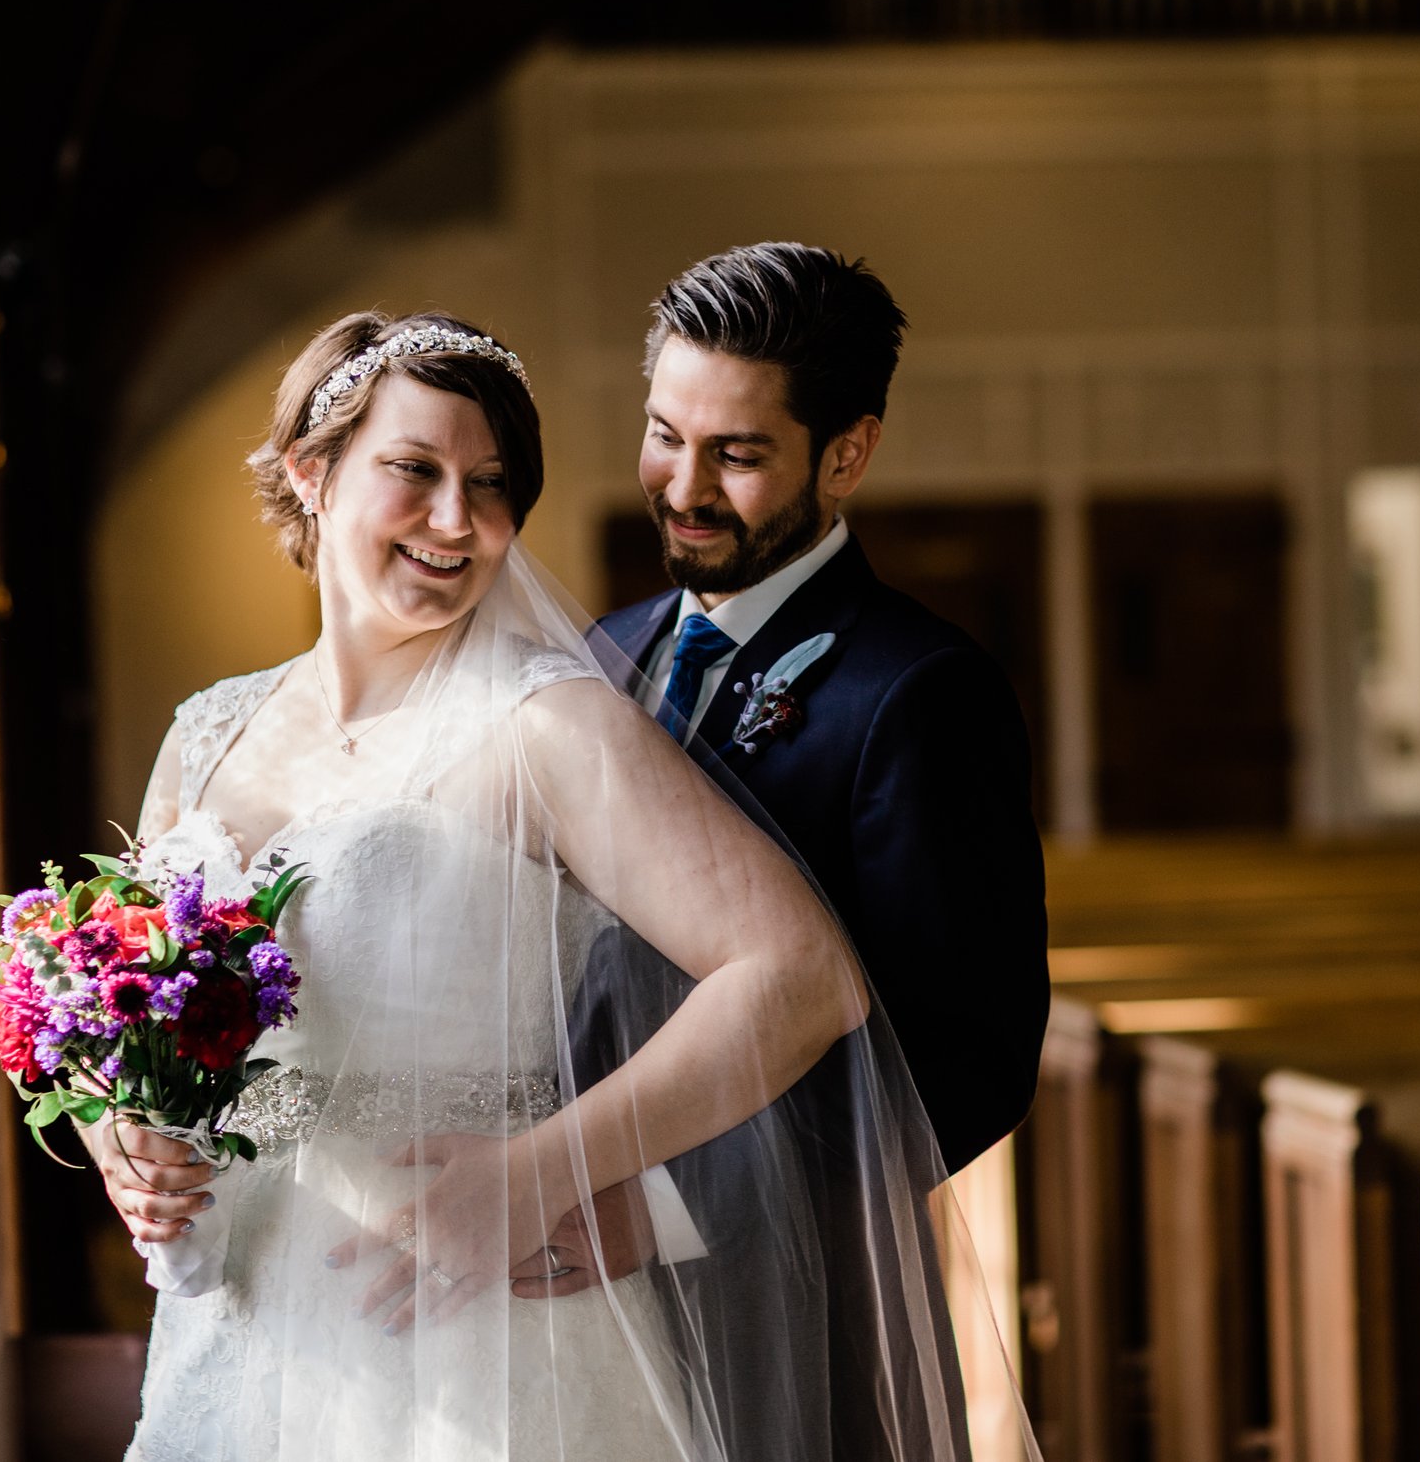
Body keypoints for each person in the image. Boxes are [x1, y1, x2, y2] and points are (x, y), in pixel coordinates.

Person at [83, 309, 1014, 1461]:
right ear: (310, 475)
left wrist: (536, 1176)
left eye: (490, 484)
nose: (455, 520)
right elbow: (137, 1019)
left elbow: (800, 974)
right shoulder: (205, 732)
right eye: (413, 470)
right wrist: (130, 1135)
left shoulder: (549, 722)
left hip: (486, 1331)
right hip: (243, 1316)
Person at [561, 243, 1051, 1455]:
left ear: (847, 453)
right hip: (555, 1297)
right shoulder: (596, 658)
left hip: (793, 1300)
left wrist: (667, 1207)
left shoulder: (922, 690)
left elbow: (966, 1056)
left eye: (735, 454)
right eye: (664, 433)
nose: (681, 486)